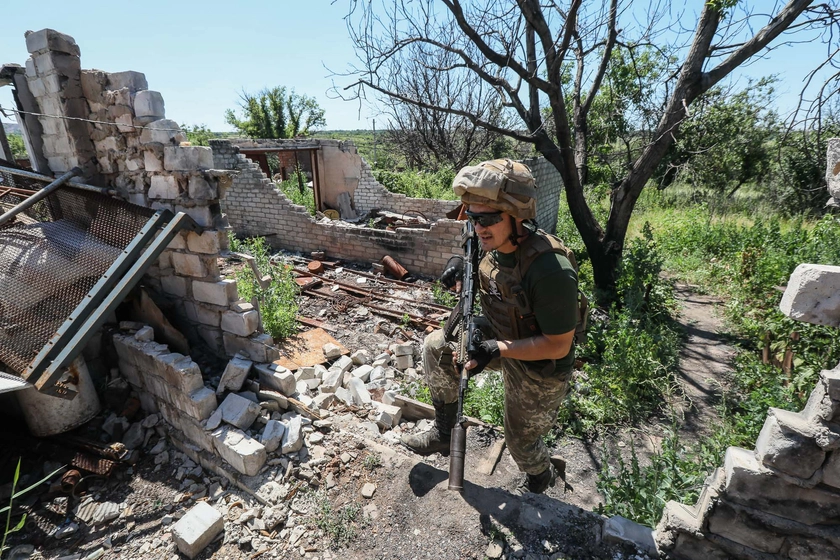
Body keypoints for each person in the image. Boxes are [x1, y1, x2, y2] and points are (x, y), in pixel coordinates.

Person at [401, 159, 578, 495]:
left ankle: (543, 477)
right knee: (436, 347)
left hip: (541, 363)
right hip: (503, 336)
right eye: (473, 216)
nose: (478, 227)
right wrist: (459, 265)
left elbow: (558, 345)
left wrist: (494, 349)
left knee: (520, 444)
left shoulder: (550, 270)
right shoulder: (489, 244)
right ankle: (443, 432)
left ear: (517, 217)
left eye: (489, 218)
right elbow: (491, 285)